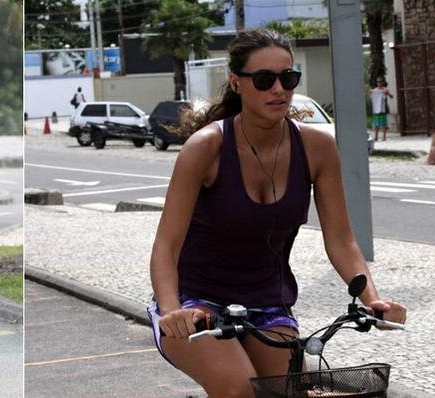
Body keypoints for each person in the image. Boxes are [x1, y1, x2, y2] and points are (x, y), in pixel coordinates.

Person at [147, 29, 406, 397]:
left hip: (269, 304)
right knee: (238, 387)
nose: (279, 89)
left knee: (286, 390)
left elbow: (342, 241)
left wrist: (373, 300)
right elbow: (166, 247)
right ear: (237, 83)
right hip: (195, 304)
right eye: (265, 80)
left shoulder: (318, 148)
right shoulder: (205, 149)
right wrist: (172, 309)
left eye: (288, 78)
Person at [370, 76, 393, 141]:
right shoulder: (374, 90)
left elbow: (392, 96)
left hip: (383, 109)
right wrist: (371, 93)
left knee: (383, 123)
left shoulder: (385, 90)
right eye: (377, 82)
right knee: (376, 124)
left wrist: (387, 93)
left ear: (382, 82)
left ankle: (384, 137)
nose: (378, 83)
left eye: (380, 81)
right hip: (376, 109)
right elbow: (371, 99)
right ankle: (376, 137)